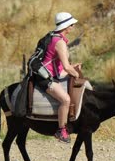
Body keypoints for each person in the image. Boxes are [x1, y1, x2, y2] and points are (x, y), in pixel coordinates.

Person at [33, 12, 81, 143]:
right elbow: (66, 66)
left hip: (51, 73)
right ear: (67, 26)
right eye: (72, 25)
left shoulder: (54, 37)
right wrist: (76, 73)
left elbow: (61, 66)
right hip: (45, 77)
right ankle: (61, 130)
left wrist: (73, 67)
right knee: (65, 100)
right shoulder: (59, 42)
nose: (73, 27)